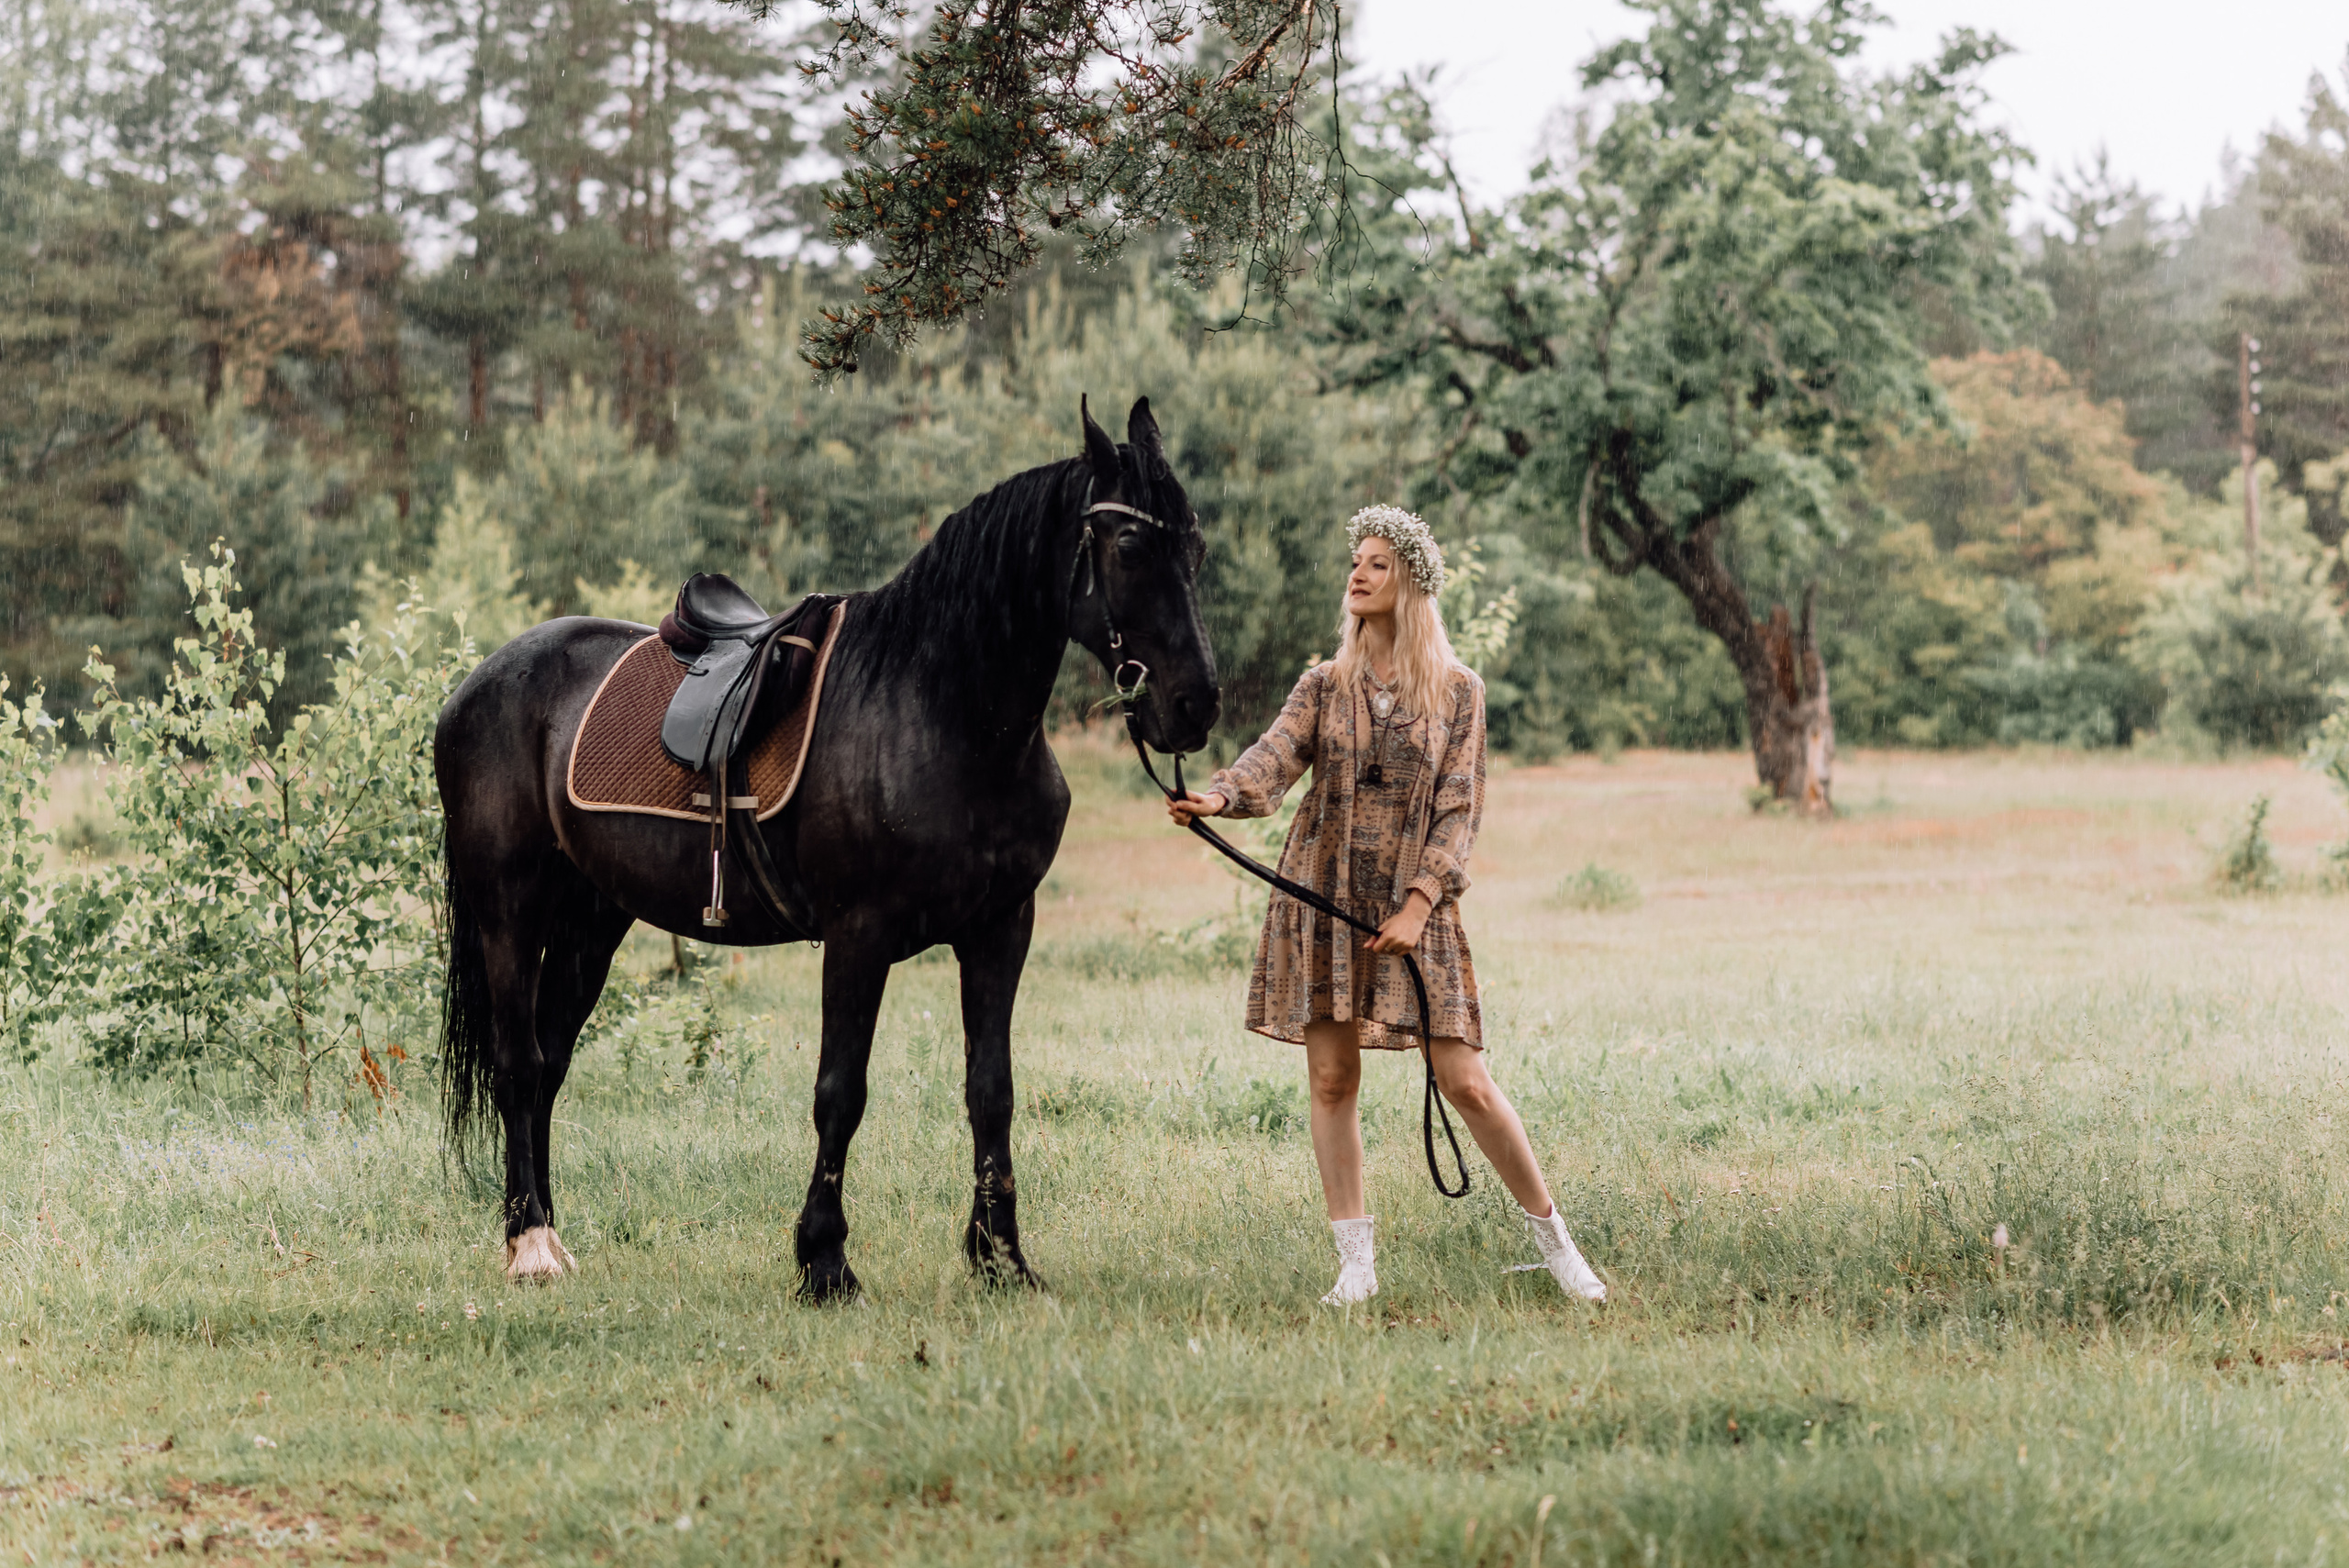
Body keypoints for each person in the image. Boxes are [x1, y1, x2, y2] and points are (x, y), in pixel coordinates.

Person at [1167, 506, 1607, 1307]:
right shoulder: (1323, 685)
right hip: (1325, 896)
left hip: (1415, 907)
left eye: (1377, 562)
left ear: (1411, 581)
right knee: (1333, 1078)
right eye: (1356, 561)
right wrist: (1218, 794)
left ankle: (1557, 1246)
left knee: (1466, 1079)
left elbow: (1460, 808)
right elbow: (1272, 759)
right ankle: (1357, 1266)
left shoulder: (1459, 692)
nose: (1358, 572)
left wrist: (1418, 903)